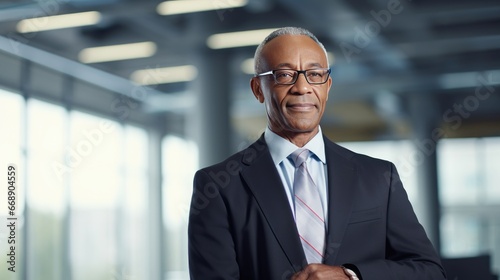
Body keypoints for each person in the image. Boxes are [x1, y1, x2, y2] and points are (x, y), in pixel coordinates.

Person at [188, 27, 447, 280]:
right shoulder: (218, 186)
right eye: (285, 75)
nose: (302, 87)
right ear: (258, 89)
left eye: (314, 74)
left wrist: (351, 276)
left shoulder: (378, 176)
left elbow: (428, 271)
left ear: (327, 85)